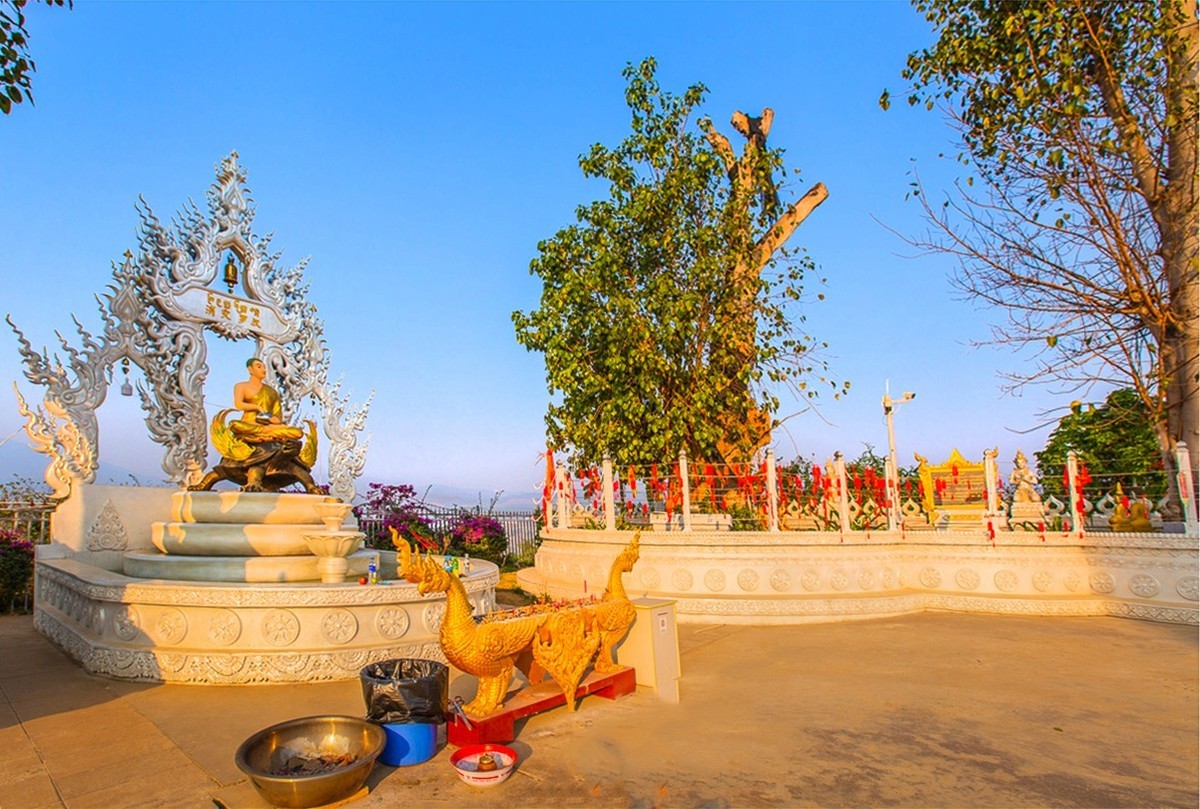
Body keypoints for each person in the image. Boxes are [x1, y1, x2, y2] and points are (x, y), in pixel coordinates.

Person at [229, 358, 304, 443]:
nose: (263, 370)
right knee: (234, 425)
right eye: (259, 367)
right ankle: (267, 434)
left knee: (298, 432)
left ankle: (263, 434)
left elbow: (277, 417)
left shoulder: (271, 391)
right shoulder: (241, 386)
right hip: (249, 423)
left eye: (264, 367)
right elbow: (238, 404)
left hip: (268, 426)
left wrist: (273, 419)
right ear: (250, 369)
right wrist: (257, 407)